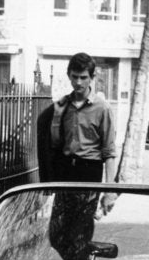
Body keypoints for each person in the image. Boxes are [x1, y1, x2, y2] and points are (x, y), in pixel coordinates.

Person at [40, 52, 118, 184]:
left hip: (90, 171)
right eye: (74, 77)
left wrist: (110, 190)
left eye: (83, 77)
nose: (78, 82)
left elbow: (109, 152)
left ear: (92, 77)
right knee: (60, 206)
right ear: (68, 75)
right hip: (65, 170)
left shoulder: (103, 108)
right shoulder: (61, 106)